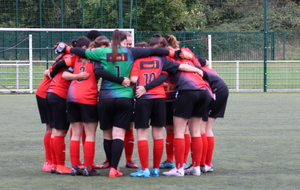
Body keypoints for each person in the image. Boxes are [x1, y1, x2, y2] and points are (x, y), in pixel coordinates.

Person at [54, 29, 191, 177]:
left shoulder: (102, 53)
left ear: (112, 41)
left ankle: (90, 164)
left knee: (106, 135)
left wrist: (67, 48)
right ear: (125, 41)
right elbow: (155, 52)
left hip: (105, 98)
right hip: (126, 97)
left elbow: (83, 53)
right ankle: (115, 168)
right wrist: (176, 53)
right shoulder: (131, 52)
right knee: (120, 134)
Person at [129, 35, 204, 178]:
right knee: (158, 134)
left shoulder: (137, 61)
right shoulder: (162, 60)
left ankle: (145, 169)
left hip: (143, 98)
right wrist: (199, 71)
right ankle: (156, 169)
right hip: (160, 99)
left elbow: (133, 79)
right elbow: (177, 68)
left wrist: (134, 83)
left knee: (142, 135)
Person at [159, 35, 211, 177]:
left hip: (188, 91)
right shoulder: (188, 54)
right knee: (195, 131)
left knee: (179, 131)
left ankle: (179, 168)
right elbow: (201, 63)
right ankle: (196, 167)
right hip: (203, 91)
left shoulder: (166, 59)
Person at [36, 51, 71, 173]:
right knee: (53, 128)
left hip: (47, 91)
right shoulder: (70, 58)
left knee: (52, 128)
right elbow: (47, 72)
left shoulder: (67, 57)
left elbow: (47, 72)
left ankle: (52, 163)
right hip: (48, 92)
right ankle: (51, 162)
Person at [196, 56, 229, 173]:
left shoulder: (191, 64)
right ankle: (205, 163)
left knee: (204, 127)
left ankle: (204, 163)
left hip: (215, 91)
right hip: (220, 89)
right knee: (205, 127)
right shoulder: (200, 63)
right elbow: (207, 61)